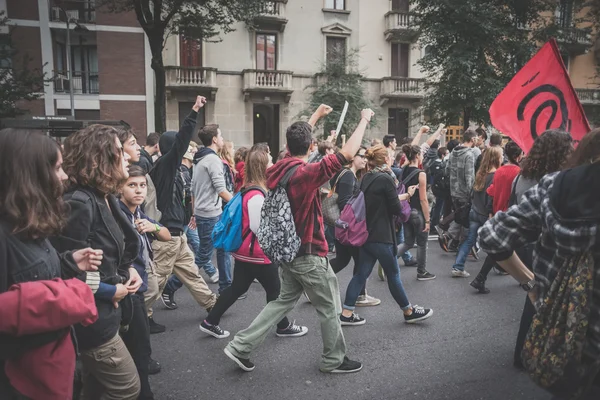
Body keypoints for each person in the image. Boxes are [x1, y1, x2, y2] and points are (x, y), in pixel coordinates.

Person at [224, 105, 371, 374]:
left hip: (288, 251)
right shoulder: (305, 174)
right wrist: (364, 119)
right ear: (311, 145)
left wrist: (314, 117)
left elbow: (295, 146)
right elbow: (348, 154)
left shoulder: (278, 168)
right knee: (329, 306)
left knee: (281, 302)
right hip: (308, 251)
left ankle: (240, 346)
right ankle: (334, 360)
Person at [478, 128, 600, 399]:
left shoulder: (549, 185)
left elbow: (492, 234)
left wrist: (530, 281)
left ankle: (528, 352)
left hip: (570, 348)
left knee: (535, 308)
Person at [0, 129, 103, 399]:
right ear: (29, 175)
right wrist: (63, 297)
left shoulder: (24, 222)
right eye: (57, 167)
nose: (64, 176)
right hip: (22, 382)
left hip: (51, 370)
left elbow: (30, 272)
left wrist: (68, 262)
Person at [51, 124, 144, 400]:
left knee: (96, 388)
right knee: (128, 389)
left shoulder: (105, 196)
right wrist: (109, 290)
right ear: (100, 158)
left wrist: (129, 270)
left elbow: (116, 250)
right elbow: (66, 269)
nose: (127, 156)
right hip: (92, 318)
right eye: (119, 151)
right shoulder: (79, 202)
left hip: (108, 312)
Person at [200, 148, 308, 339]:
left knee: (238, 288)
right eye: (270, 160)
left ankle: (211, 321)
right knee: (275, 292)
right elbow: (258, 227)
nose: (273, 163)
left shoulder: (249, 189)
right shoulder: (257, 194)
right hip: (258, 253)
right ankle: (282, 327)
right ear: (262, 166)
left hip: (247, 252)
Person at [340, 144, 433, 327]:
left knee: (361, 274)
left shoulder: (368, 177)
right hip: (382, 235)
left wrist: (403, 195)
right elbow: (396, 209)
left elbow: (379, 202)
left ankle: (347, 312)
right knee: (393, 274)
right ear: (385, 160)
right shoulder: (385, 179)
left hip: (367, 234)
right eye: (390, 156)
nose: (392, 159)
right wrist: (407, 197)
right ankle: (408, 311)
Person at [504, 130, 573, 369]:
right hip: (544, 244)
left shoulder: (522, 176)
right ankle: (531, 352)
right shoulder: (555, 181)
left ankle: (526, 350)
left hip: (524, 243)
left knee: (535, 296)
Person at [147, 96, 218, 318]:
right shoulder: (165, 167)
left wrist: (189, 216)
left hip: (178, 235)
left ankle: (212, 305)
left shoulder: (177, 170)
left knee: (191, 272)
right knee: (156, 281)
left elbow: (185, 198)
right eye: (179, 143)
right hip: (166, 237)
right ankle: (139, 314)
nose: (185, 147)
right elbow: (181, 142)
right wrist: (194, 110)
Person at [118, 166, 172, 398]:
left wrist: (155, 227)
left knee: (139, 342)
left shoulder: (139, 213)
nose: (139, 190)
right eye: (132, 185)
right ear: (119, 188)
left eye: (142, 185)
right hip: (125, 289)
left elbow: (168, 235)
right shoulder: (117, 215)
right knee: (136, 345)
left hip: (139, 287)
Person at [329, 146, 380, 306]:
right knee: (360, 260)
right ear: (352, 157)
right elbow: (344, 203)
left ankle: (313, 285)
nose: (365, 160)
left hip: (341, 225)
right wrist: (356, 221)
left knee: (343, 259)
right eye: (362, 156)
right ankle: (359, 295)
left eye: (366, 157)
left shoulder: (348, 174)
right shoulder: (348, 176)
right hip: (347, 226)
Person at [470, 141, 524, 289]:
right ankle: (524, 279)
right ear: (518, 156)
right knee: (518, 246)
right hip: (511, 213)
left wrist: (491, 211)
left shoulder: (499, 171)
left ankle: (482, 278)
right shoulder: (519, 172)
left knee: (502, 246)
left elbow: (491, 192)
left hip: (498, 212)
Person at [191, 124, 235, 295]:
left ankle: (226, 288)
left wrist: (194, 212)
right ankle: (171, 287)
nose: (222, 139)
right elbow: (221, 190)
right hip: (210, 215)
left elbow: (193, 189)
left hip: (207, 212)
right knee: (203, 256)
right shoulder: (213, 160)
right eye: (221, 135)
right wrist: (240, 204)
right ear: (215, 139)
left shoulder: (200, 159)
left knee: (223, 248)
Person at [450, 146, 503, 278]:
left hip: (474, 212)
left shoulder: (480, 173)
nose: (502, 158)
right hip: (486, 214)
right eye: (501, 155)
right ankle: (499, 267)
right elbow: (492, 197)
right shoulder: (496, 175)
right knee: (495, 242)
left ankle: (458, 266)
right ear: (496, 158)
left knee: (469, 240)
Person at [398, 144, 436, 280]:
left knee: (408, 242)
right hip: (417, 212)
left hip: (405, 210)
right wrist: (427, 220)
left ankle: (390, 259)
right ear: (418, 156)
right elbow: (423, 200)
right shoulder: (421, 174)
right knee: (422, 243)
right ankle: (421, 272)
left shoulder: (403, 170)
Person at [436, 130, 478, 252]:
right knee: (464, 218)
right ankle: (462, 245)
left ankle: (451, 239)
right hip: (465, 192)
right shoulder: (469, 155)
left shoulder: (454, 152)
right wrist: (472, 193)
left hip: (453, 190)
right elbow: (469, 177)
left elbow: (447, 171)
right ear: (472, 139)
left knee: (460, 216)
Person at [430, 146, 448, 230]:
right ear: (443, 155)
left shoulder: (434, 163)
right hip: (440, 189)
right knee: (439, 207)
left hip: (436, 188)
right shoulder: (440, 164)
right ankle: (434, 224)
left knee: (437, 206)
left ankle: (434, 222)